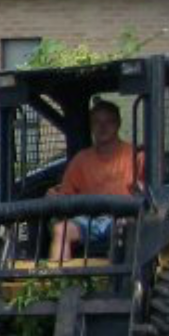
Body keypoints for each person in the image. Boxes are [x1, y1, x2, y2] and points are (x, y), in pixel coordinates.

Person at [51, 99, 145, 258]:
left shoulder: (136, 157)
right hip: (89, 219)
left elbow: (152, 192)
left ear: (118, 124)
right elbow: (65, 196)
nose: (102, 127)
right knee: (61, 230)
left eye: (108, 121)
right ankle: (60, 280)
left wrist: (141, 191)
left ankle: (122, 281)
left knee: (127, 228)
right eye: (97, 122)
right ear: (91, 126)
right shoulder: (81, 160)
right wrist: (54, 197)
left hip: (123, 218)